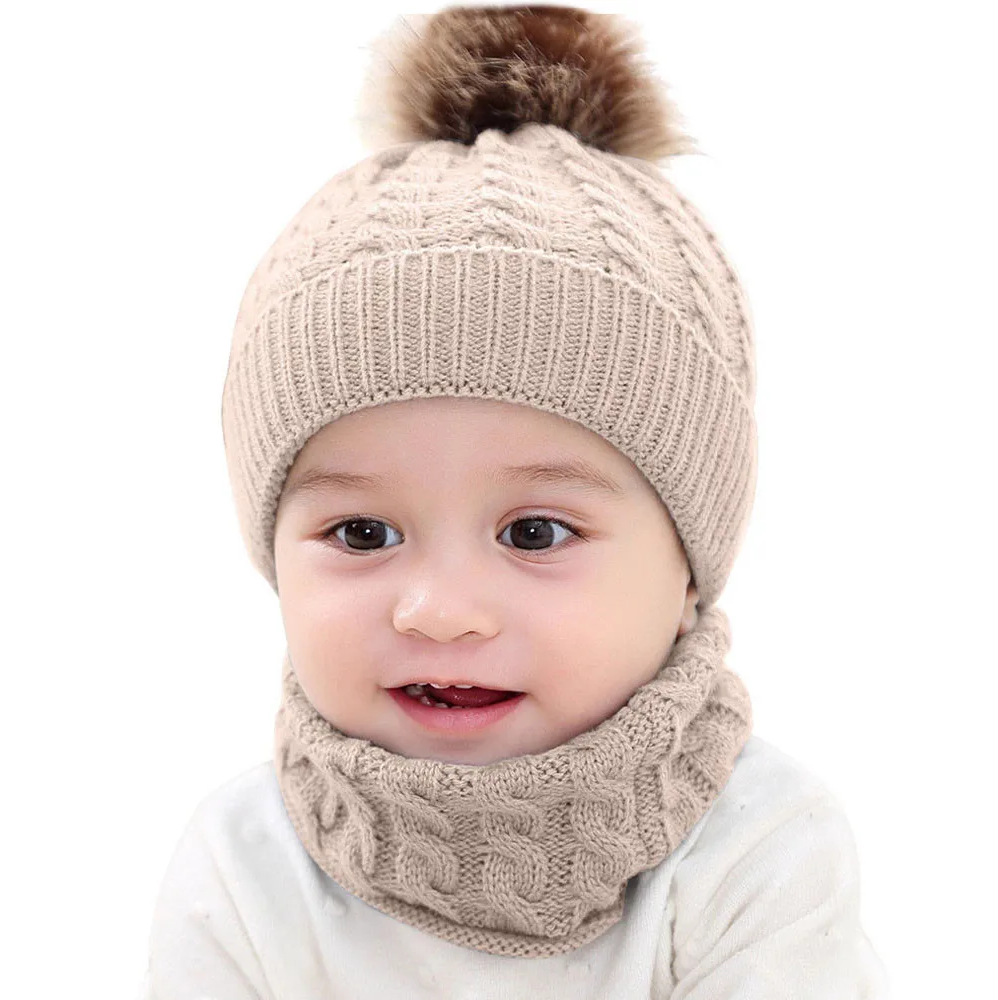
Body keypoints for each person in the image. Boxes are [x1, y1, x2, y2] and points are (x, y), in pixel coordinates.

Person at [140, 5, 889, 997]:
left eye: (535, 532)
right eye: (361, 532)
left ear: (687, 574)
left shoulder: (761, 850)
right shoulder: (244, 868)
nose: (441, 611)